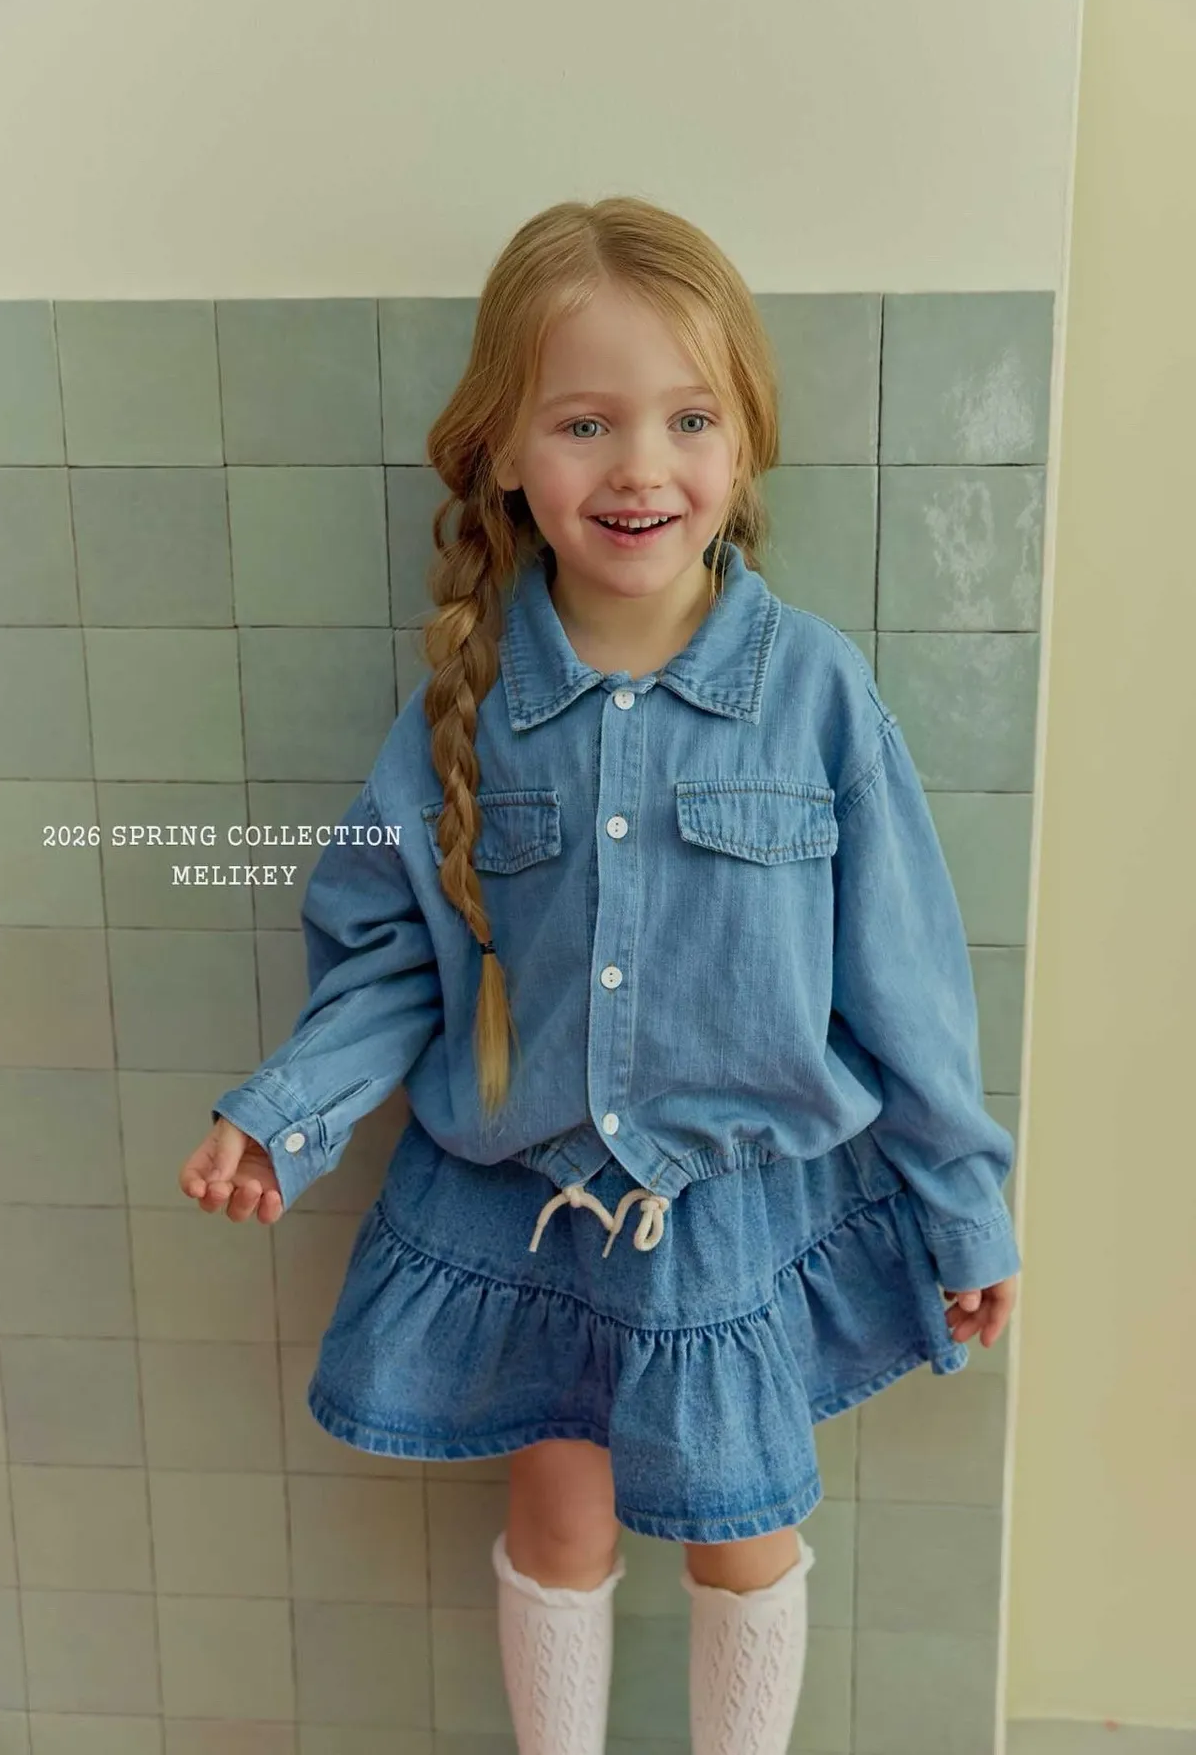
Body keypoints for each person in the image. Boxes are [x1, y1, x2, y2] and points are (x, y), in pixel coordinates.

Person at [179, 195, 1022, 1755]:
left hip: (735, 1221)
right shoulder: (470, 699)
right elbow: (393, 955)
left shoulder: (817, 694)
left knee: (743, 1530)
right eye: (585, 423)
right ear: (504, 452)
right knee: (558, 1520)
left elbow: (906, 983)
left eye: (690, 419)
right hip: (531, 1208)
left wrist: (967, 1207)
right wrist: (283, 1115)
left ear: (744, 448)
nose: (641, 466)